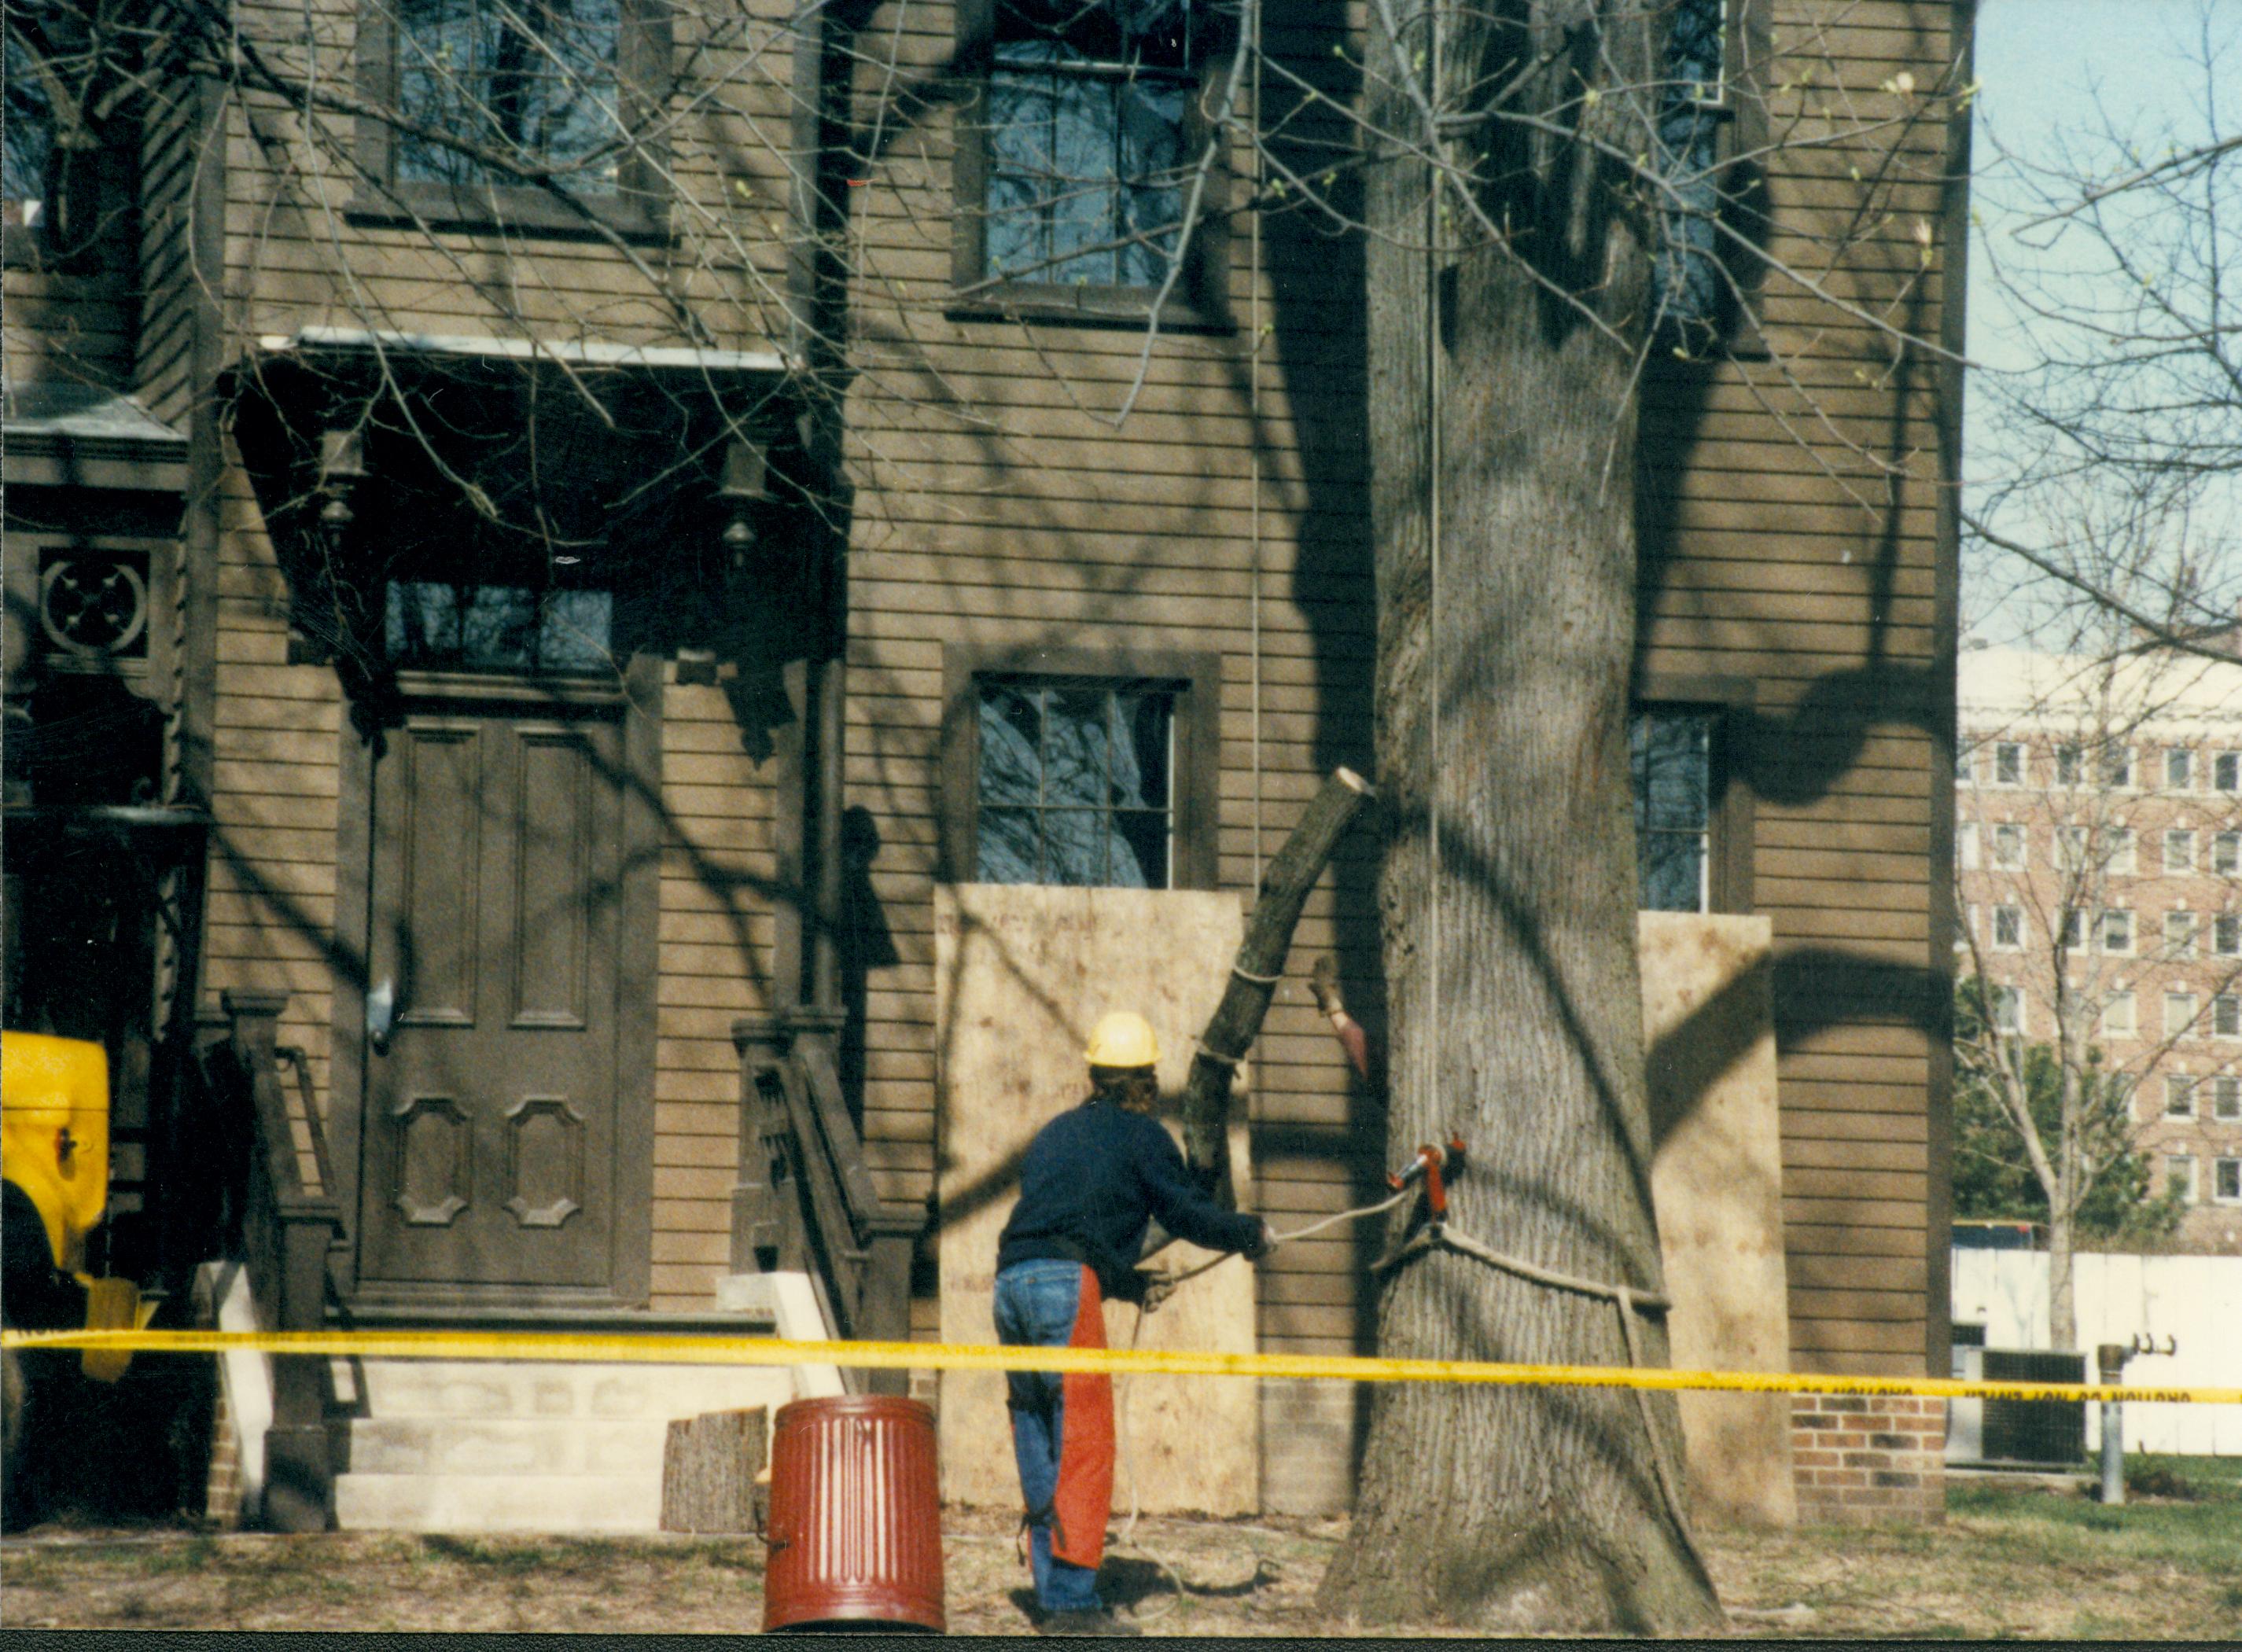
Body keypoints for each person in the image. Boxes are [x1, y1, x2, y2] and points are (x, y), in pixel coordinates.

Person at [993, 1010, 1272, 1637]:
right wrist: (1249, 1232)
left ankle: (1051, 1591)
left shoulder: (1054, 1134)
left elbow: (1067, 1226)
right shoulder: (1143, 1137)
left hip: (1011, 1282)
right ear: (1144, 1082)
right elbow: (1187, 1213)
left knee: (1038, 1435)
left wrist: (1129, 1282)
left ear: (1095, 1074)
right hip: (1064, 1285)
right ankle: (1071, 1607)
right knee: (1084, 1443)